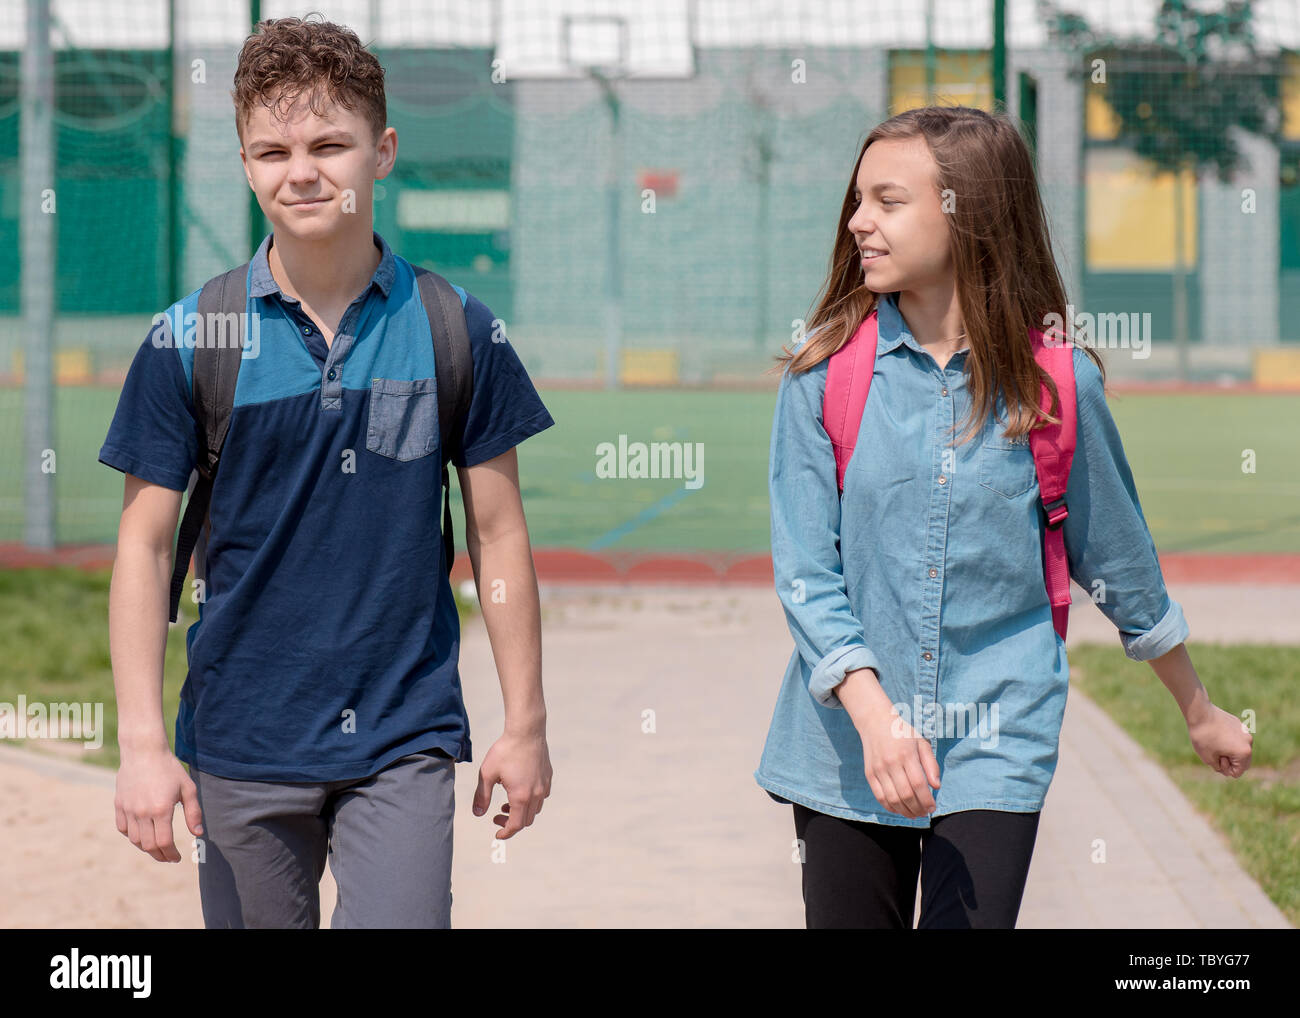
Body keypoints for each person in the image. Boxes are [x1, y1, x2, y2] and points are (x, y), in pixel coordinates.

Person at [99, 15, 554, 929]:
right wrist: (143, 744)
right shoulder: (191, 338)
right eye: (271, 150)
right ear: (244, 163)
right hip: (239, 740)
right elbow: (146, 551)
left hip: (402, 736)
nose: (300, 171)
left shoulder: (458, 327)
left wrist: (526, 721)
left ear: (381, 152)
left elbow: (497, 534)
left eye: (329, 144)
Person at [753, 105, 1253, 930]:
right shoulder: (821, 377)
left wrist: (1197, 709)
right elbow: (807, 573)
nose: (857, 222)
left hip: (995, 741)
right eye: (858, 199)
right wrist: (876, 721)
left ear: (967, 214)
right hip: (846, 748)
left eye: (886, 200)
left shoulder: (1057, 387)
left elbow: (1119, 563)